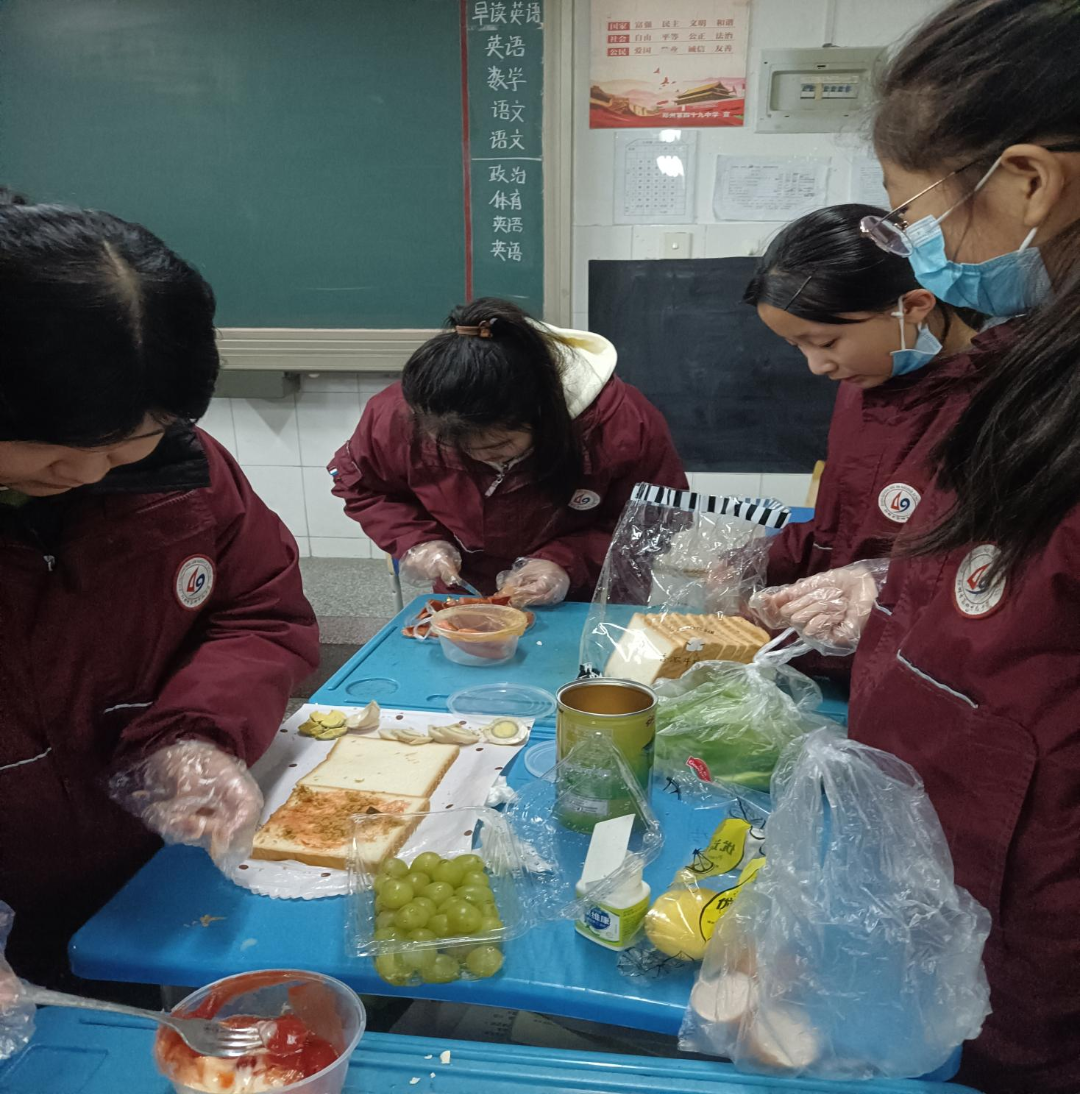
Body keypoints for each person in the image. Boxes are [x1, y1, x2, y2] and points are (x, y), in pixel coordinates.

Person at [760, 3, 1080, 1090]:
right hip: (950, 848)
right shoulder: (1032, 365)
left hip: (1030, 884)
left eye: (917, 212)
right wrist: (885, 586)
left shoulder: (1004, 381)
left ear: (1028, 182)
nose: (928, 250)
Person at [0, 195, 319, 1002]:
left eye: (126, 444)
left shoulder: (185, 474)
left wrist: (196, 736)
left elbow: (258, 611)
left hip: (150, 884)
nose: (87, 472)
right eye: (58, 447)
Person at [744, 204, 978, 678]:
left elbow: (987, 569)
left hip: (923, 666)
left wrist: (884, 583)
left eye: (826, 343)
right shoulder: (865, 383)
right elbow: (838, 526)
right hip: (845, 658)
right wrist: (754, 565)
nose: (817, 366)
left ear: (914, 306)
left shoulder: (994, 403)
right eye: (797, 347)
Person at [329, 298, 687, 605]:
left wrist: (564, 563)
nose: (480, 459)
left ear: (545, 414)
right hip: (468, 590)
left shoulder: (619, 424)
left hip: (589, 595)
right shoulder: (402, 415)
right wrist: (418, 542)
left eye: (497, 447)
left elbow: (654, 521)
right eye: (453, 448)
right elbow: (363, 487)